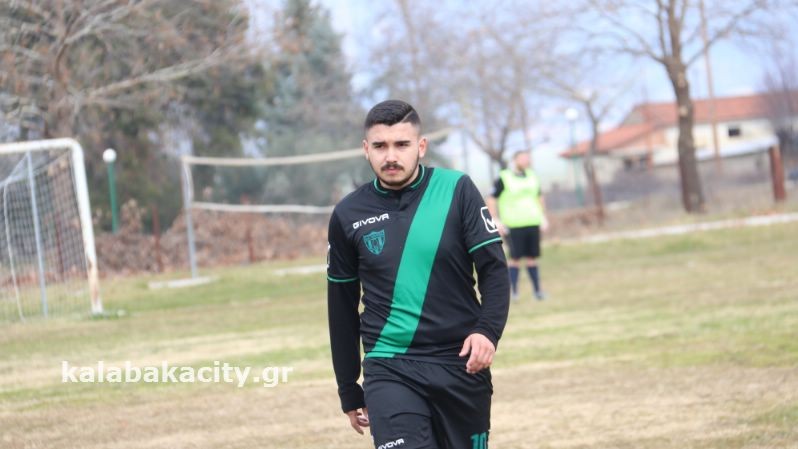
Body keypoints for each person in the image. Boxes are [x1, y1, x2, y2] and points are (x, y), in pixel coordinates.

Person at [327, 100, 510, 449]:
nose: (390, 156)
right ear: (366, 149)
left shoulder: (457, 190)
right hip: (389, 366)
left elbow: (494, 270)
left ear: (421, 146)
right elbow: (341, 306)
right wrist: (348, 386)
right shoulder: (348, 214)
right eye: (380, 146)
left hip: (460, 362)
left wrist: (487, 331)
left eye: (402, 144)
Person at [486, 150, 548, 301]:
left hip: (532, 222)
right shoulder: (504, 177)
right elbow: (491, 199)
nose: (526, 160)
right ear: (515, 160)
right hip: (513, 225)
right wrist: (495, 220)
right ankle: (513, 292)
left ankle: (537, 292)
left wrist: (543, 217)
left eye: (527, 158)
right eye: (522, 158)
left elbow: (539, 197)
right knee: (515, 258)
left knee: (532, 257)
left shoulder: (532, 176)